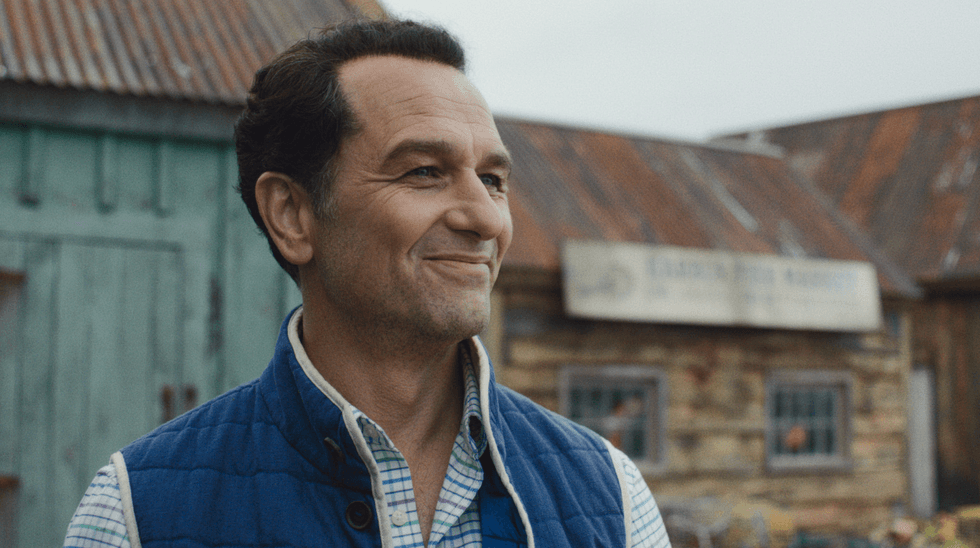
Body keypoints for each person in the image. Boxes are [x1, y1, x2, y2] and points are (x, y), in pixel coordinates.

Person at [64, 19, 671, 548]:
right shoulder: (135, 513)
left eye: (492, 179)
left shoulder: (611, 496)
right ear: (292, 215)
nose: (486, 219)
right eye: (424, 171)